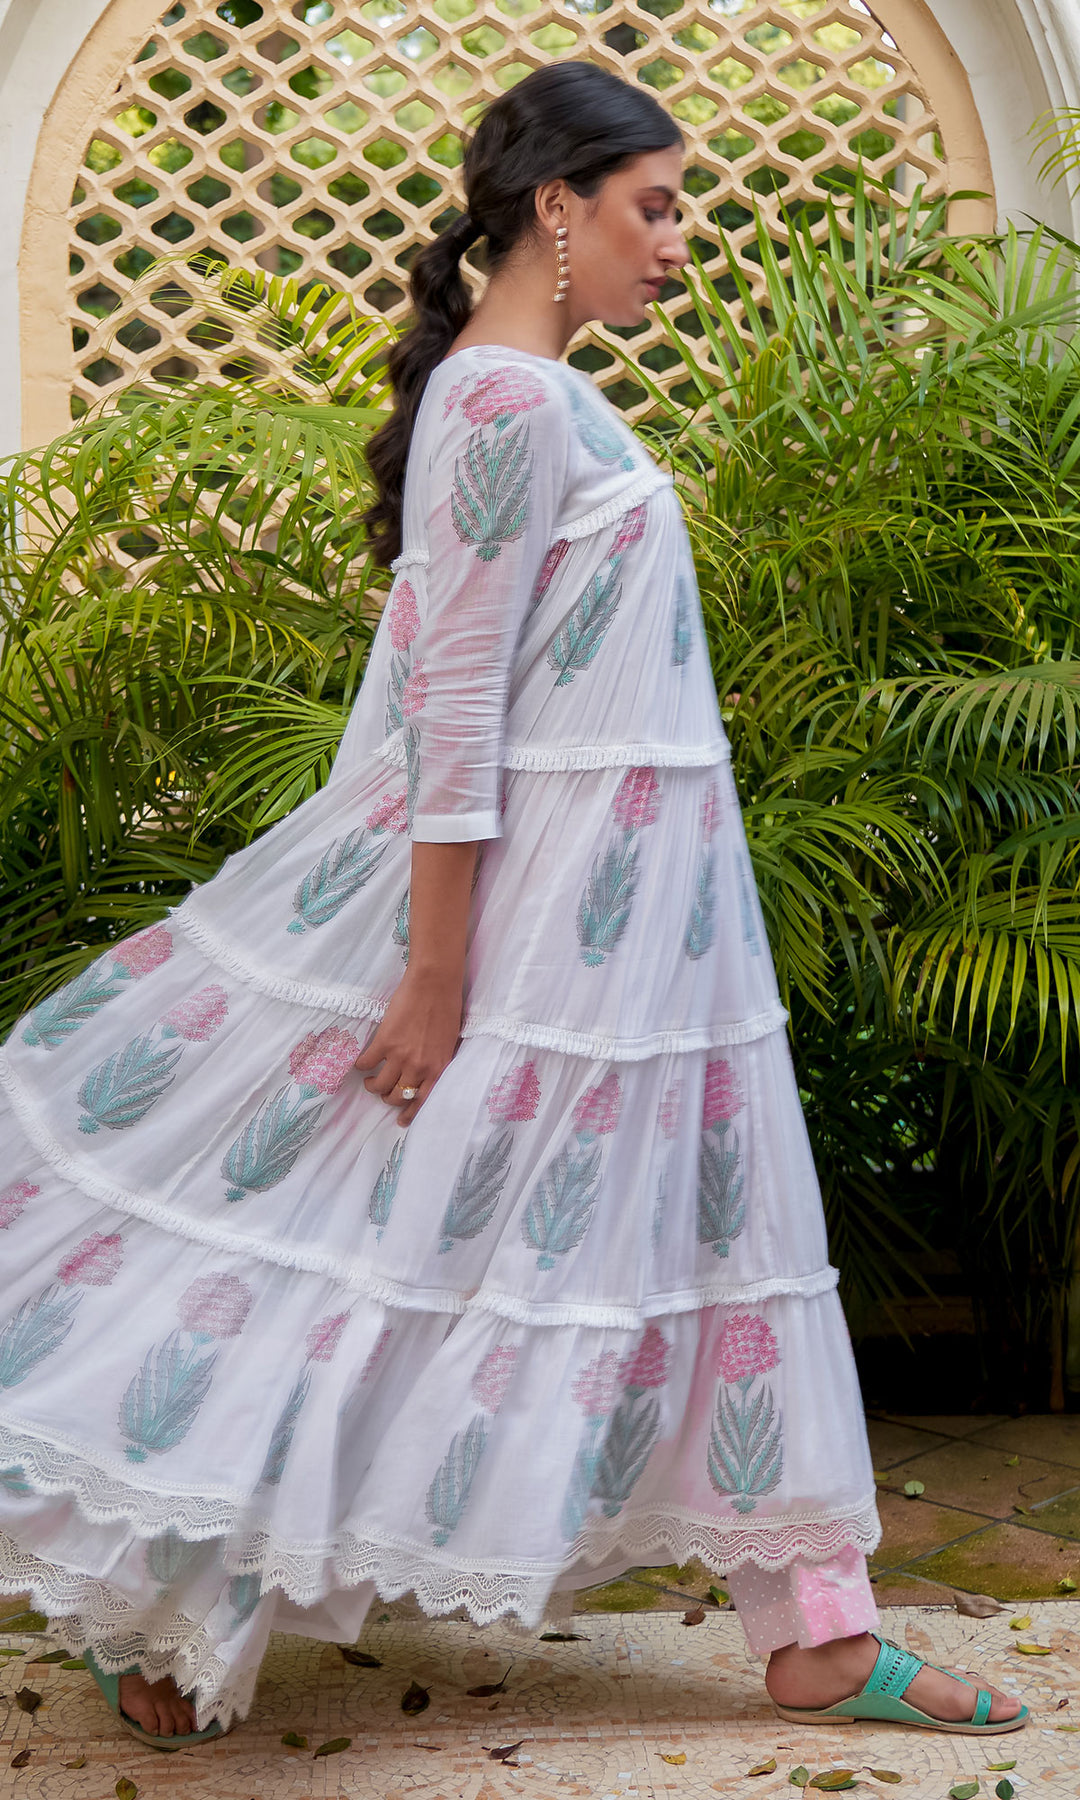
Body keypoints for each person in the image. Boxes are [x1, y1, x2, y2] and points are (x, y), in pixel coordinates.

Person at [0, 61, 1024, 1746]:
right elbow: (452, 703)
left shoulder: (538, 397)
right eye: (655, 206)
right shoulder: (503, 403)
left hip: (649, 940)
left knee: (720, 1241)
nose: (677, 243)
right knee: (378, 1243)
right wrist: (433, 969)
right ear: (559, 204)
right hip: (543, 927)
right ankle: (165, 1595)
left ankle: (820, 1632)